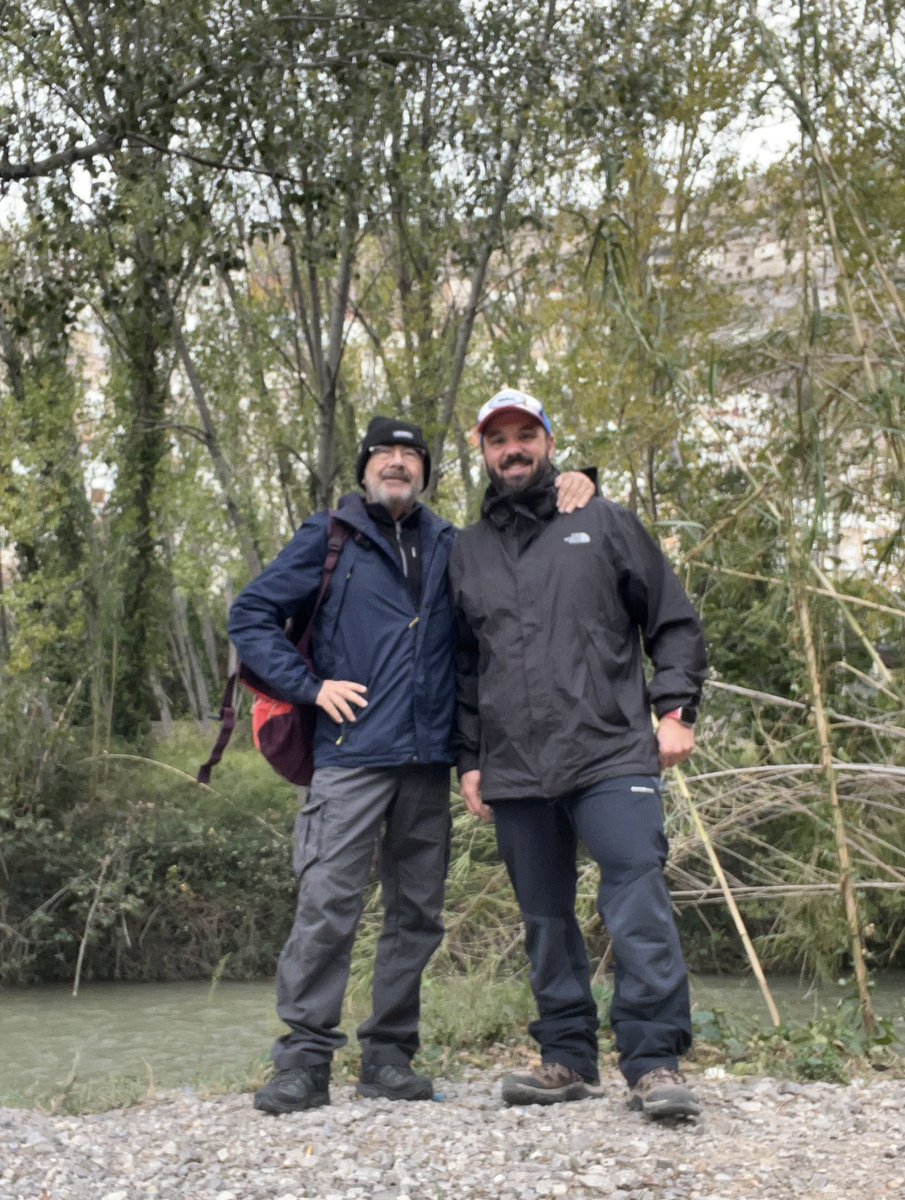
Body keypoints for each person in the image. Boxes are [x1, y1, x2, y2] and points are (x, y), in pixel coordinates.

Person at [228, 413, 595, 1115]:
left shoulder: (451, 544)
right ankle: (304, 1062)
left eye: (409, 455)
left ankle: (389, 1058)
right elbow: (249, 616)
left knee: (417, 916)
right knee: (327, 907)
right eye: (384, 454)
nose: (396, 463)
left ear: (426, 471)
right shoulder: (328, 537)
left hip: (427, 764)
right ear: (365, 468)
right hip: (350, 758)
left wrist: (581, 484)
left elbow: (498, 609)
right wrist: (309, 687)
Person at [450, 388, 708, 1118]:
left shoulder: (601, 520)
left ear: (548, 441)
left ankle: (653, 1062)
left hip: (609, 750)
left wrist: (675, 709)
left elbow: (672, 621)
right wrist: (469, 758)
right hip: (514, 764)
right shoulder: (466, 551)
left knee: (636, 900)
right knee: (544, 918)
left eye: (524, 434)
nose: (512, 449)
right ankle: (566, 1058)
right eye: (497, 439)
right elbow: (463, 666)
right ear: (483, 452)